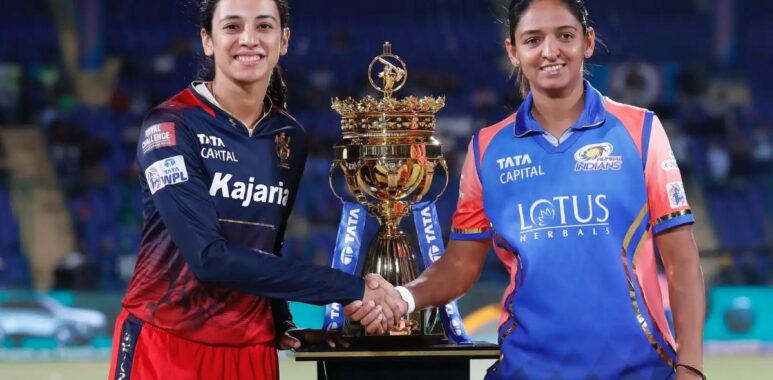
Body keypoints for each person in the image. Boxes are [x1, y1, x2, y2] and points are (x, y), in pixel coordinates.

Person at [348, 0, 706, 379]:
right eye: (533, 40)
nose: (550, 51)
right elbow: (460, 266)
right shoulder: (487, 149)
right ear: (513, 51)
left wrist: (691, 367)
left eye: (564, 36)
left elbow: (682, 262)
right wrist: (403, 297)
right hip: (526, 371)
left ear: (587, 41)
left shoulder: (641, 131)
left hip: (639, 371)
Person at [108, 1, 404, 379]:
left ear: (284, 40)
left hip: (251, 351)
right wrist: (349, 288)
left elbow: (267, 246)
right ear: (208, 40)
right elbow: (208, 258)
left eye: (263, 26)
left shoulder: (289, 137)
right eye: (232, 26)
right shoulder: (169, 126)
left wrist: (283, 322)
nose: (249, 39)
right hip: (166, 344)